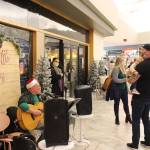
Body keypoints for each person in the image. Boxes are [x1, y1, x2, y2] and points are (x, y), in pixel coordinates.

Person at [127, 44, 150, 149]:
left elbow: (132, 80)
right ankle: (148, 140)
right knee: (146, 118)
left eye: (143, 50)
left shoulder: (143, 65)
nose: (142, 52)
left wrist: (129, 75)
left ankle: (135, 143)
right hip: (148, 97)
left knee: (136, 119)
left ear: (147, 51)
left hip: (140, 96)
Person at [110, 56, 132, 125]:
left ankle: (128, 117)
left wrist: (127, 89)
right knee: (117, 104)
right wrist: (124, 80)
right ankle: (117, 118)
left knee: (126, 104)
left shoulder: (123, 69)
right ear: (119, 62)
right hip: (117, 90)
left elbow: (125, 80)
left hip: (124, 89)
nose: (124, 62)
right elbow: (115, 79)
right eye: (123, 61)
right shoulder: (116, 69)